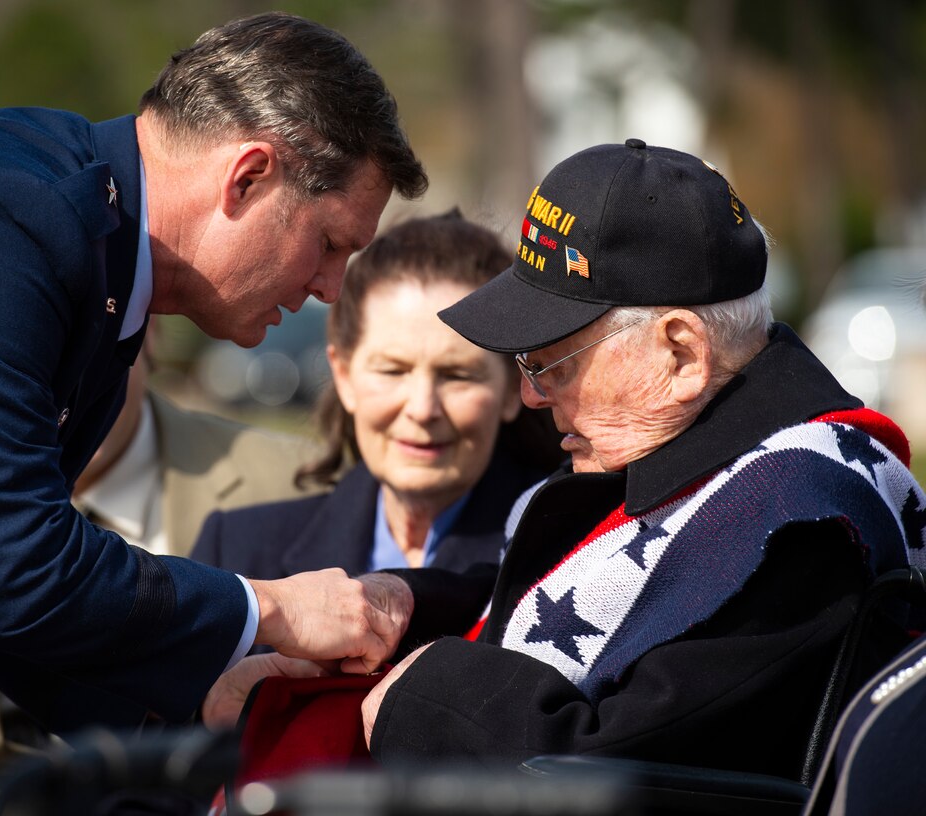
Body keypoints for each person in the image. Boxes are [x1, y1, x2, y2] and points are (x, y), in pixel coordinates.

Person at [207, 139, 926, 782]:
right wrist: (400, 610)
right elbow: (560, 597)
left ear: (679, 352)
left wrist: (422, 689)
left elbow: (619, 762)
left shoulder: (794, 516)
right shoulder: (697, 446)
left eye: (553, 363)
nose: (529, 393)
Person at [0, 10, 427, 736]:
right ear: (247, 178)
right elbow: (11, 574)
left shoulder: (94, 244)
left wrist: (195, 705)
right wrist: (272, 608)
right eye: (330, 243)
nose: (330, 289)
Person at [0, 345, 325, 816]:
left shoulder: (297, 479)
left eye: (75, 331)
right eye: (22, 345)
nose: (48, 376)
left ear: (144, 330)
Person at [191, 211, 561, 587]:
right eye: (393, 371)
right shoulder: (238, 554)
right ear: (344, 376)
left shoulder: (567, 556)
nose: (421, 409)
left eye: (457, 375)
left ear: (513, 389)